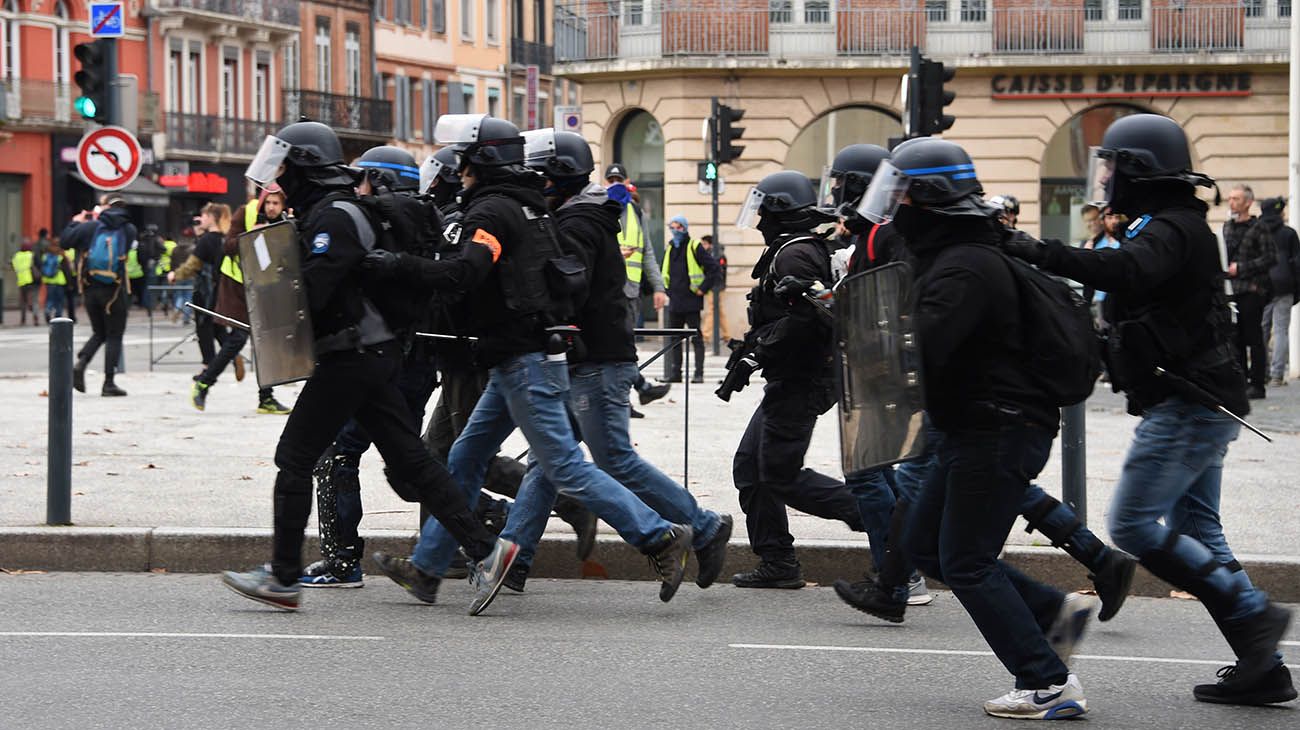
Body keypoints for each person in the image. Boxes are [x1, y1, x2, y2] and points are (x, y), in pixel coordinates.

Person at [1004, 113, 1296, 707]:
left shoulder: (1174, 226)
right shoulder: (1170, 223)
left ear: (1140, 169)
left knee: (1132, 524)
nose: (1106, 177)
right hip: (1194, 397)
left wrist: (1035, 249)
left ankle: (1253, 614)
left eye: (1112, 165)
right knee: (1199, 532)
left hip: (1189, 404)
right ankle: (1263, 667)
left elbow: (1124, 269)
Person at [362, 114, 693, 610]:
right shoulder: (525, 205)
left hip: (524, 358)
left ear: (480, 161)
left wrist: (400, 268)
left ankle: (659, 537)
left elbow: (466, 273)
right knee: (465, 456)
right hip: (516, 353)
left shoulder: (493, 212)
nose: (460, 167)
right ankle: (428, 569)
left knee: (564, 468)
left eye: (465, 158)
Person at [220, 119, 517, 614]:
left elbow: (317, 291)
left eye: (285, 166)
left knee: (294, 457)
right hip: (368, 354)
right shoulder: (330, 210)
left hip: (352, 356)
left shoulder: (334, 216)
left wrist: (277, 304)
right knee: (412, 462)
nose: (279, 178)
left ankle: (284, 578)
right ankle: (488, 549)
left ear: (305, 167)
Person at [867, 137, 1093, 720]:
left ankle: (1047, 681)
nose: (894, 209)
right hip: (975, 425)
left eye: (903, 196)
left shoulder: (966, 266)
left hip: (998, 427)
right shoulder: (958, 255)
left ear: (930, 199)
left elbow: (924, 353)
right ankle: (1054, 617)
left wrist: (869, 351)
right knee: (925, 547)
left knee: (966, 559)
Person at [492, 128, 733, 593]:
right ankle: (514, 559)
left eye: (540, 174)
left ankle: (703, 527)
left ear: (556, 175)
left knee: (613, 459)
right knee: (550, 460)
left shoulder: (577, 222)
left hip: (599, 359)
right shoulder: (577, 213)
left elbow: (568, 285)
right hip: (587, 357)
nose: (534, 182)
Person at [299, 145, 442, 588]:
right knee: (407, 465)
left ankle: (342, 561)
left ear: (379, 181)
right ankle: (484, 535)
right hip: (418, 360)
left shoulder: (380, 222)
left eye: (363, 179)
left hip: (382, 359)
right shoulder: (429, 218)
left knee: (337, 454)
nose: (357, 188)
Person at [725, 170, 866, 589]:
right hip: (793, 377)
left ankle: (882, 519)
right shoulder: (793, 250)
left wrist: (760, 351)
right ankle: (777, 561)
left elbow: (810, 323)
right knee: (751, 467)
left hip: (803, 378)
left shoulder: (794, 255)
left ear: (780, 212)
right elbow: (784, 317)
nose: (760, 218)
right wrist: (749, 355)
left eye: (764, 210)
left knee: (780, 473)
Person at [188, 188, 293, 416]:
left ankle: (266, 398)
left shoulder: (285, 221)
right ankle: (204, 383)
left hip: (265, 286)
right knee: (238, 337)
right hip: (237, 284)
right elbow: (227, 246)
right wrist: (253, 235)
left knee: (266, 343)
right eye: (269, 203)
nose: (272, 207)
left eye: (277, 203)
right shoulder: (245, 213)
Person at [604, 163, 671, 411]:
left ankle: (631, 397)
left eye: (618, 179)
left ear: (627, 180)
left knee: (625, 347)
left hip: (630, 291)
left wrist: (659, 287)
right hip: (607, 290)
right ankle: (637, 392)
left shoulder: (635, 211)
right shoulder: (599, 205)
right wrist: (614, 252)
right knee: (620, 347)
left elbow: (648, 253)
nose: (614, 183)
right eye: (610, 179)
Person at [63, 194, 136, 397]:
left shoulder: (91, 227)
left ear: (104, 207)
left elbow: (64, 241)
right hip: (115, 290)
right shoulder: (129, 229)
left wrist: (75, 223)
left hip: (90, 288)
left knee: (99, 332)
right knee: (114, 334)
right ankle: (108, 382)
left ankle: (81, 362)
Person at [1223, 184, 1275, 399]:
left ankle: (1257, 383)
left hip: (1252, 289)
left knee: (1254, 337)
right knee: (1235, 338)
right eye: (1230, 198)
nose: (1231, 202)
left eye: (1236, 198)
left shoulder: (1259, 227)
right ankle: (1241, 380)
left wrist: (1242, 268)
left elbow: (1271, 258)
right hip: (1230, 291)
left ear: (1247, 202)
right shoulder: (1227, 227)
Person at [170, 204, 231, 371]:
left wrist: (175, 275)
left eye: (203, 217)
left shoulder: (206, 240)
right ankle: (231, 349)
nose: (200, 220)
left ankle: (208, 366)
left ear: (212, 217)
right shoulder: (226, 238)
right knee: (218, 326)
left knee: (203, 328)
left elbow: (192, 265)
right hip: (222, 289)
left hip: (205, 291)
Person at [662, 215, 721, 383]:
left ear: (685, 228)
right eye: (672, 227)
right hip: (675, 300)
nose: (675, 231)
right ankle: (676, 373)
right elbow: (665, 271)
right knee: (674, 339)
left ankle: (699, 373)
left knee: (696, 338)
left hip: (691, 300)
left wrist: (703, 289)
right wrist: (667, 290)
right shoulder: (671, 247)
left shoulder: (694, 246)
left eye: (678, 227)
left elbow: (714, 269)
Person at [1255, 197, 1299, 388]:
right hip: (1285, 284)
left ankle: (1261, 372)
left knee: (1262, 330)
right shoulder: (1289, 233)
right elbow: (1297, 263)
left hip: (1262, 284)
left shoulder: (1255, 231)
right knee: (1281, 329)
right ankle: (1277, 375)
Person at [697, 234, 731, 347]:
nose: (702, 246)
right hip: (717, 287)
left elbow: (716, 272)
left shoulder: (715, 254)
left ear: (710, 244)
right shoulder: (717, 253)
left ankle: (706, 335)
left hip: (715, 287)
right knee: (719, 311)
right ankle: (727, 335)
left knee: (711, 311)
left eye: (704, 244)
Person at [39, 242, 72, 321]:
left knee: (49, 299)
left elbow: (42, 268)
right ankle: (58, 316)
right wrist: (70, 283)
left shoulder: (45, 256)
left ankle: (48, 310)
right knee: (59, 300)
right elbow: (67, 271)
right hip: (59, 282)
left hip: (49, 281)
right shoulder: (60, 257)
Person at [11, 240, 37, 326]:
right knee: (33, 300)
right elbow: (34, 265)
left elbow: (14, 266)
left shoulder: (16, 256)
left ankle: (23, 320)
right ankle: (35, 317)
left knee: (23, 302)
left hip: (21, 281)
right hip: (30, 280)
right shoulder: (30, 255)